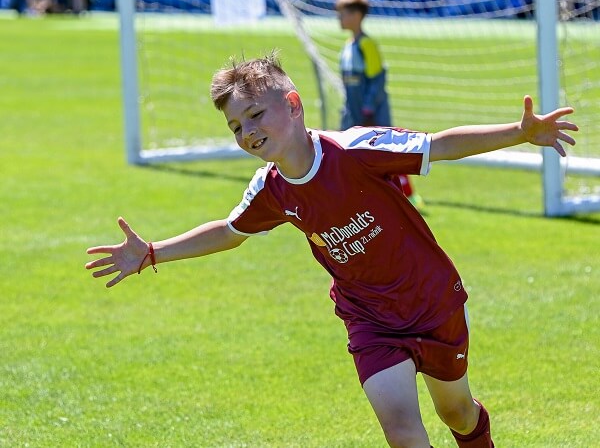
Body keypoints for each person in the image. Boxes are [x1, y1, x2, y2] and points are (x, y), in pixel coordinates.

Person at [86, 54, 577, 447]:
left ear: (293, 105)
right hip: (369, 320)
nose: (247, 132)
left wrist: (519, 132)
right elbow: (230, 231)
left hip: (432, 301)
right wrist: (153, 252)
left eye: (255, 115)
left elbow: (439, 145)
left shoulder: (356, 150)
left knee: (457, 412)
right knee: (404, 435)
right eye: (236, 127)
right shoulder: (271, 189)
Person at [336, 0, 424, 212]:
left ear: (357, 15)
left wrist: (368, 106)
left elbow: (377, 79)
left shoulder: (367, 45)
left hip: (371, 113)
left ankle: (409, 197)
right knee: (352, 155)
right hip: (354, 112)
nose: (339, 18)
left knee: (389, 153)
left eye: (343, 14)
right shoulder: (348, 45)